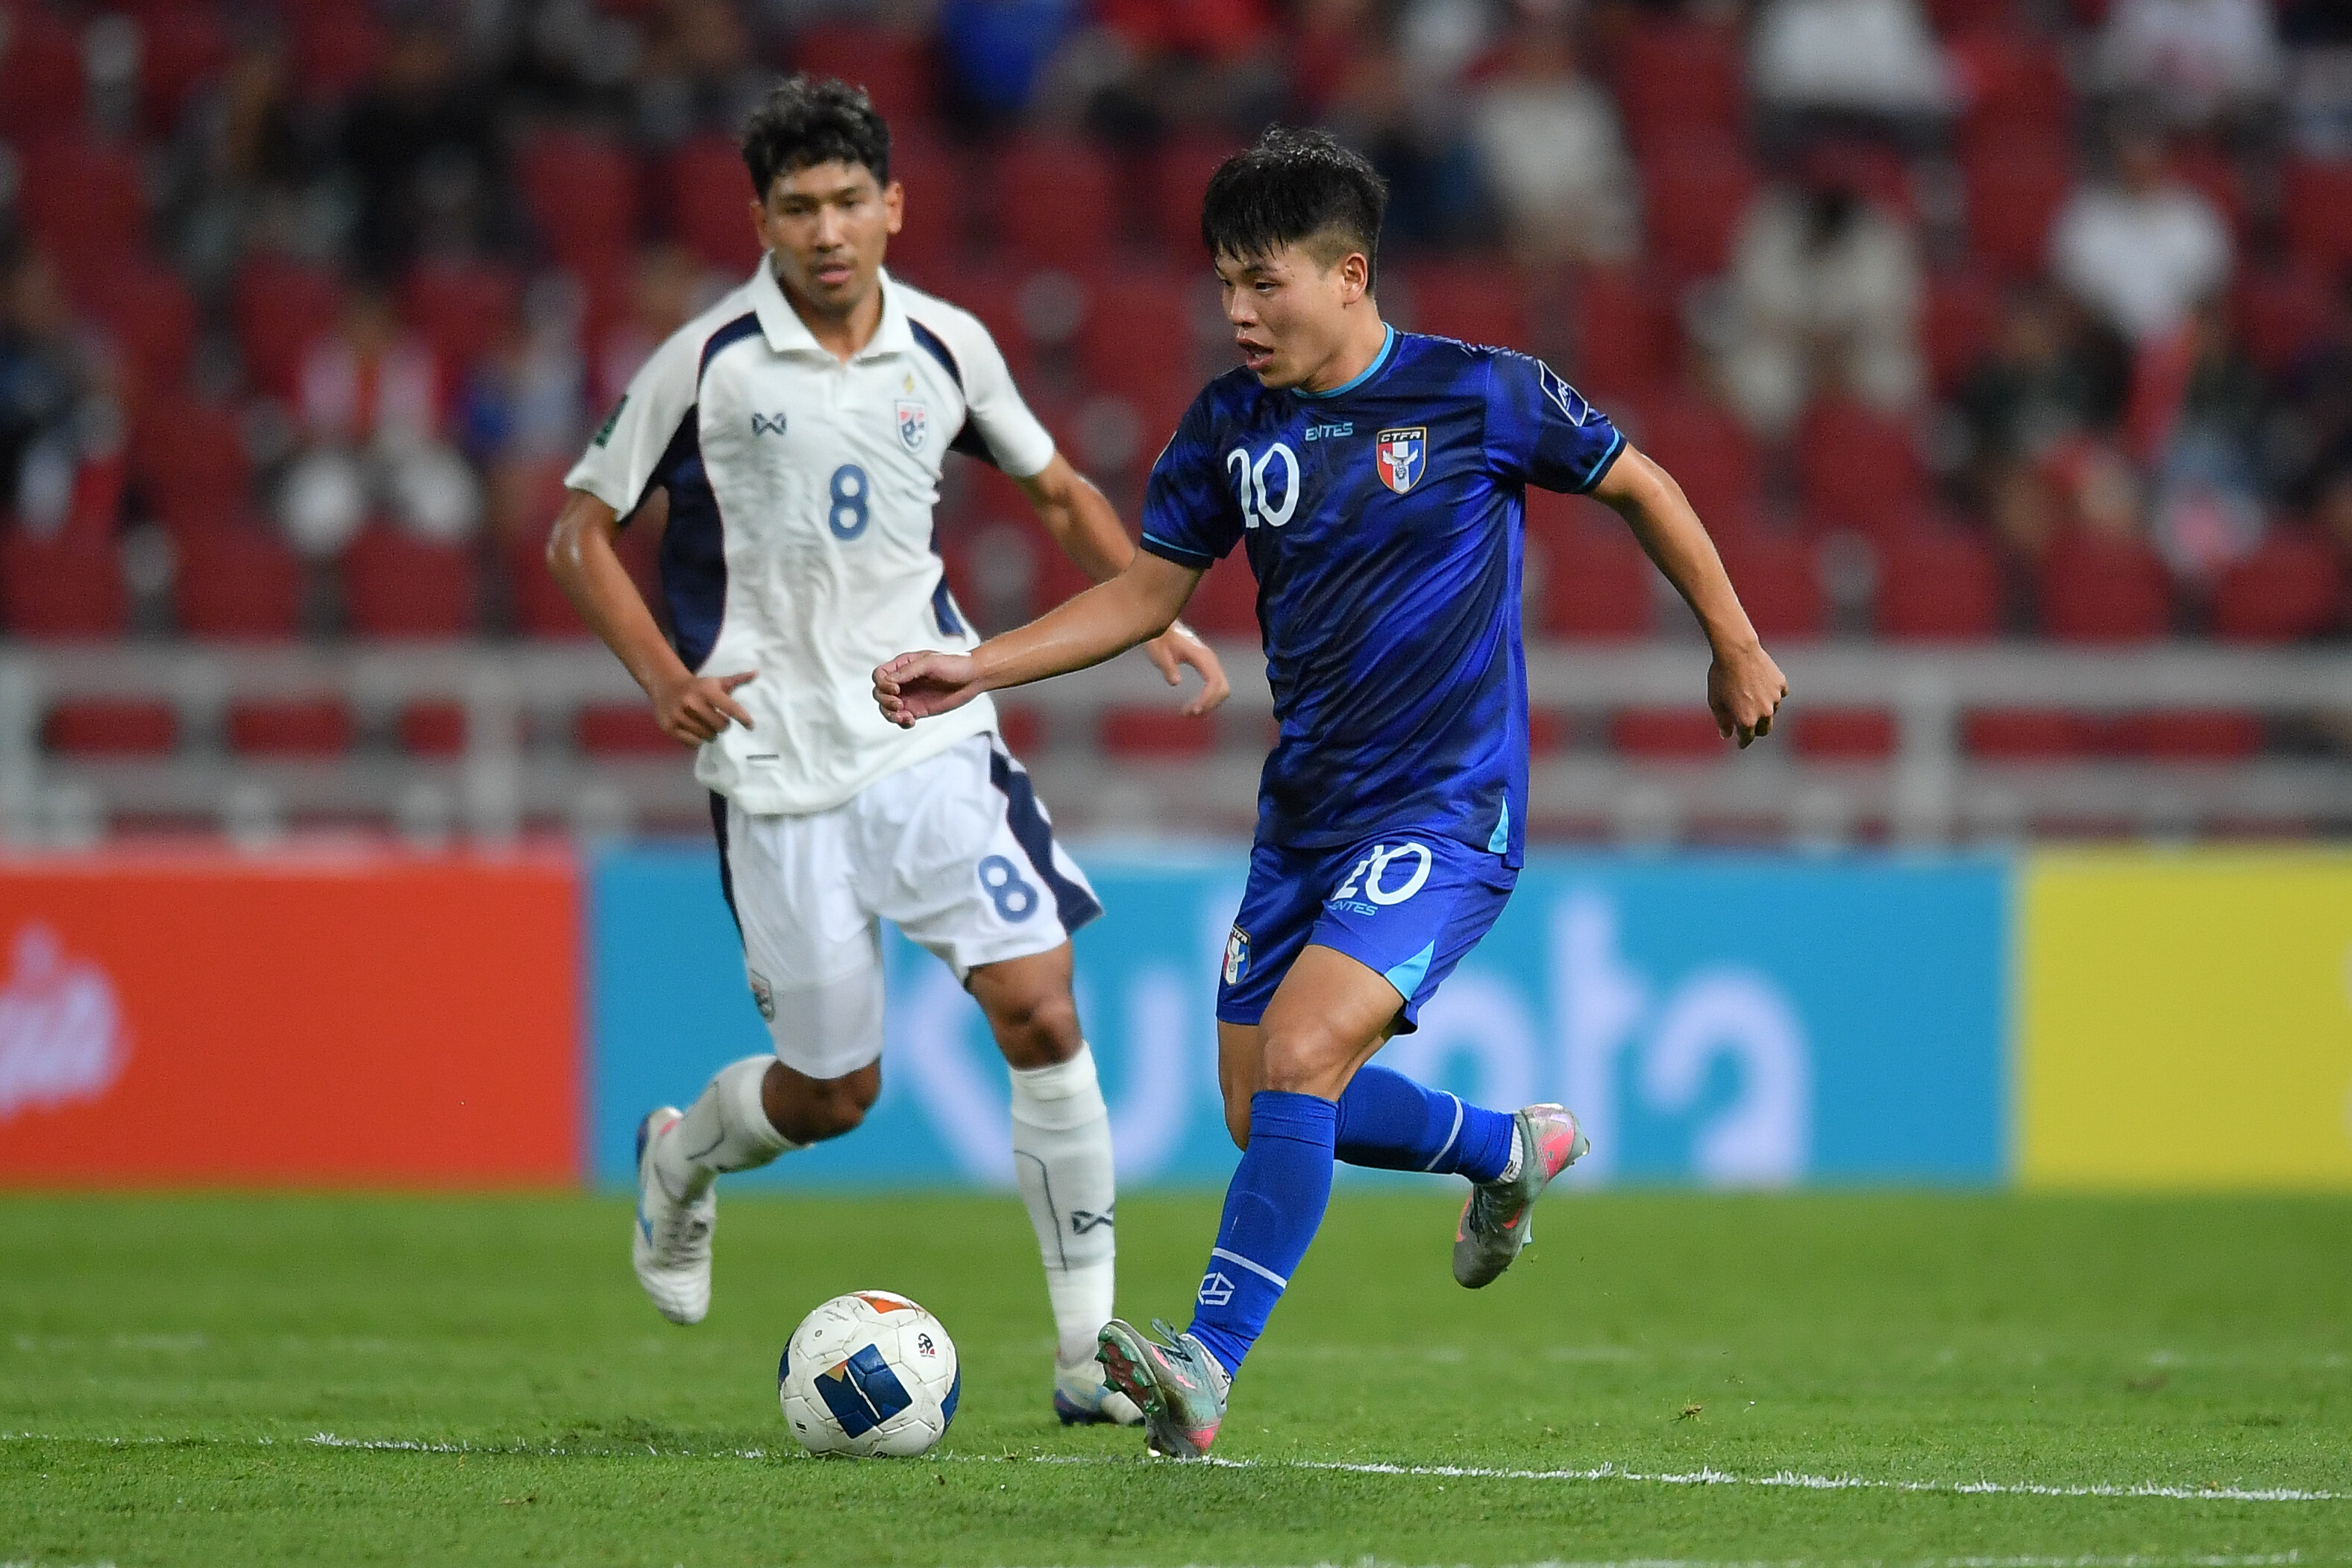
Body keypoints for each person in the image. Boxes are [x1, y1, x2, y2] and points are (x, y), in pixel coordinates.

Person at [874, 128, 1787, 1458]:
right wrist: (978, 664)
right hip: (1303, 816)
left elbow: (1638, 482)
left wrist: (1734, 641)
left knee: (1304, 1056)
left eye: (1265, 284)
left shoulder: (1479, 393)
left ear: (1347, 274)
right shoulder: (1227, 424)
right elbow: (1146, 592)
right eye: (1224, 286)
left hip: (1446, 807)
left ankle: (1203, 1370)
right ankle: (1502, 1148)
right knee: (1265, 1108)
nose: (1239, 315)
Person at [546, 76, 1229, 1427]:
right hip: (775, 766)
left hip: (929, 735)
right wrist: (665, 677)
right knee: (833, 1093)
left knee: (1040, 1004)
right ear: (761, 218)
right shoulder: (705, 362)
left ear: (894, 206)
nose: (827, 229)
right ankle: (680, 1160)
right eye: (798, 206)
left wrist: (1148, 612)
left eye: (849, 200)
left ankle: (1085, 1355)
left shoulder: (948, 345)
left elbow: (1054, 487)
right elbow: (578, 532)